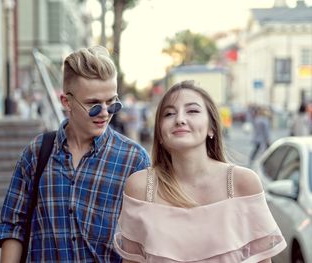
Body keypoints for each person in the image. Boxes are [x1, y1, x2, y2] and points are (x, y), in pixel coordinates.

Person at [0, 46, 151, 262]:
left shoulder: (135, 160)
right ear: (66, 102)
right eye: (93, 105)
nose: (105, 113)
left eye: (112, 103)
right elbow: (13, 225)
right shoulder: (37, 152)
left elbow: (146, 240)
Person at [114, 80, 286, 262]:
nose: (180, 119)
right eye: (169, 113)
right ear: (160, 133)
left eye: (193, 111)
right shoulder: (139, 187)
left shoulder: (243, 182)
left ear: (211, 127)